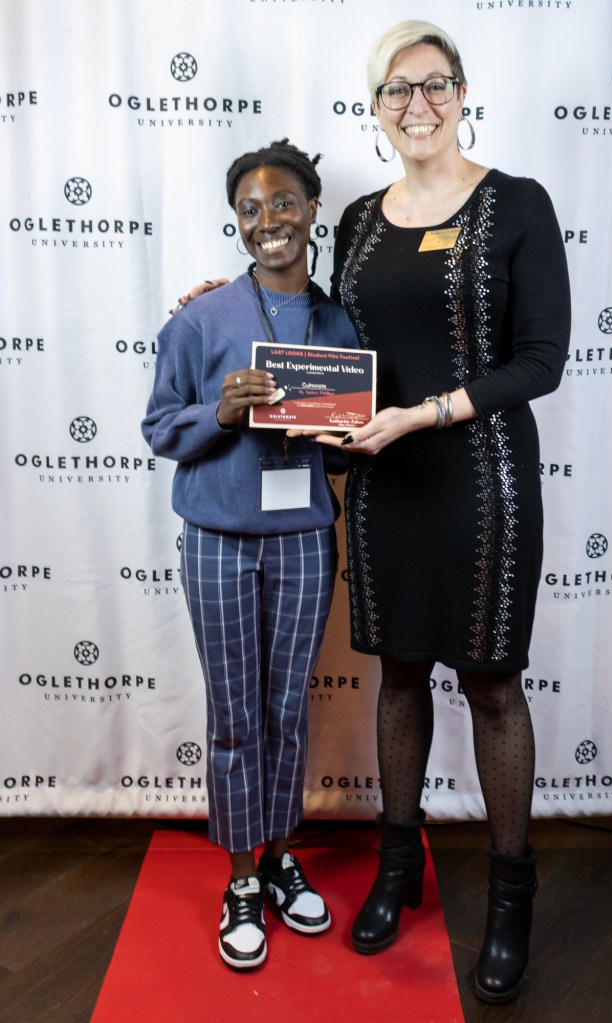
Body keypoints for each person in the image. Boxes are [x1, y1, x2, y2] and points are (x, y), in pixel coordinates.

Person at [175, 19, 571, 1003]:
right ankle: (397, 869)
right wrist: (226, 304)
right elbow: (315, 318)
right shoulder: (356, 219)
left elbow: (540, 361)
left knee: (490, 685)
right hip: (382, 484)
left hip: (480, 480)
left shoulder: (517, 203)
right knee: (398, 676)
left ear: (462, 93)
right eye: (397, 88)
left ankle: (510, 898)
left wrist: (422, 415)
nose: (417, 104)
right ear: (377, 107)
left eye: (434, 84)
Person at [142, 139, 359, 972]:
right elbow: (160, 426)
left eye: (284, 203)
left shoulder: (339, 324)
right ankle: (240, 877)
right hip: (218, 542)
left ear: (312, 210)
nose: (268, 220)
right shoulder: (200, 319)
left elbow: (351, 444)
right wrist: (219, 413)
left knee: (286, 710)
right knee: (235, 714)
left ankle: (277, 856)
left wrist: (345, 432)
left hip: (303, 539)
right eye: (250, 209)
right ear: (237, 222)